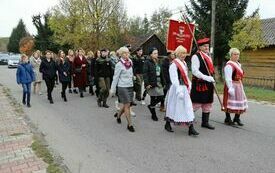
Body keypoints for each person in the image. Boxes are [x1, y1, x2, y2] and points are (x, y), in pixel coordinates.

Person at [164, 46, 199, 136]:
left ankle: (191, 128)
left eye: (185, 53)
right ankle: (167, 124)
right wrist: (179, 90)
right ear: (178, 53)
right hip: (177, 88)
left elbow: (186, 76)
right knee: (173, 106)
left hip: (184, 88)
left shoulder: (184, 63)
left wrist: (190, 85)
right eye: (182, 53)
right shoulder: (174, 64)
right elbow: (174, 78)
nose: (184, 55)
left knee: (188, 107)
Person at [191, 38, 215, 130]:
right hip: (200, 84)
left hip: (208, 83)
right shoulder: (196, 56)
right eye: (204, 46)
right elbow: (195, 71)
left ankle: (205, 122)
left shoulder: (208, 56)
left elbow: (211, 70)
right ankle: (188, 120)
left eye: (207, 46)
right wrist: (206, 77)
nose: (206, 47)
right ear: (200, 47)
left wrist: (212, 79)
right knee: (197, 104)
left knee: (207, 103)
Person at [110, 47, 135, 132]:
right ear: (121, 54)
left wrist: (133, 77)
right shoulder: (119, 65)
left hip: (130, 86)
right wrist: (112, 89)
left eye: (127, 53)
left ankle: (118, 116)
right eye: (124, 53)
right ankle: (130, 124)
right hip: (122, 87)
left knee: (126, 105)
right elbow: (115, 78)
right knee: (127, 105)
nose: (126, 54)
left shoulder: (130, 62)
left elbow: (131, 73)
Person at [223, 48, 248, 126]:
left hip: (239, 85)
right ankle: (227, 118)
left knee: (240, 101)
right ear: (231, 55)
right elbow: (228, 77)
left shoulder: (238, 64)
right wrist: (230, 87)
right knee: (229, 101)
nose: (237, 56)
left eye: (238, 54)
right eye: (235, 54)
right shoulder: (229, 65)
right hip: (231, 85)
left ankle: (237, 118)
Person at [143, 47, 164, 121]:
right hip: (152, 82)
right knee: (153, 98)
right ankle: (153, 115)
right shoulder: (147, 62)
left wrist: (163, 81)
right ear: (150, 54)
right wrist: (147, 83)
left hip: (159, 82)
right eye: (155, 53)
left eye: (157, 53)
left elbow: (161, 72)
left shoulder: (158, 61)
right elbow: (145, 74)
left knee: (162, 96)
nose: (156, 54)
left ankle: (151, 106)